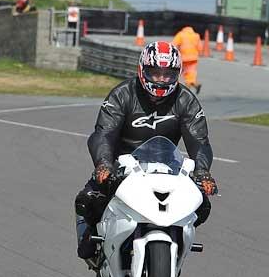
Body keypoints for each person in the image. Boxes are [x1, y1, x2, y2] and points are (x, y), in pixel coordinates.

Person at [74, 41, 217, 260]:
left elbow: (199, 140)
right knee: (87, 200)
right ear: (142, 70)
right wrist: (104, 163)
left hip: (166, 167)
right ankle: (94, 237)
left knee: (202, 205)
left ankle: (176, 243)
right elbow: (103, 133)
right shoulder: (122, 94)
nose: (161, 79)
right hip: (120, 167)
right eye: (155, 72)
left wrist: (203, 171)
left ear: (177, 74)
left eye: (168, 74)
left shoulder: (186, 100)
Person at [172, 26, 202, 93]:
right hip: (194, 58)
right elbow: (200, 47)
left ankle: (184, 90)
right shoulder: (196, 35)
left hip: (184, 58)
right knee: (190, 73)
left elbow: (174, 44)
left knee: (179, 73)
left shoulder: (181, 34)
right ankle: (195, 85)